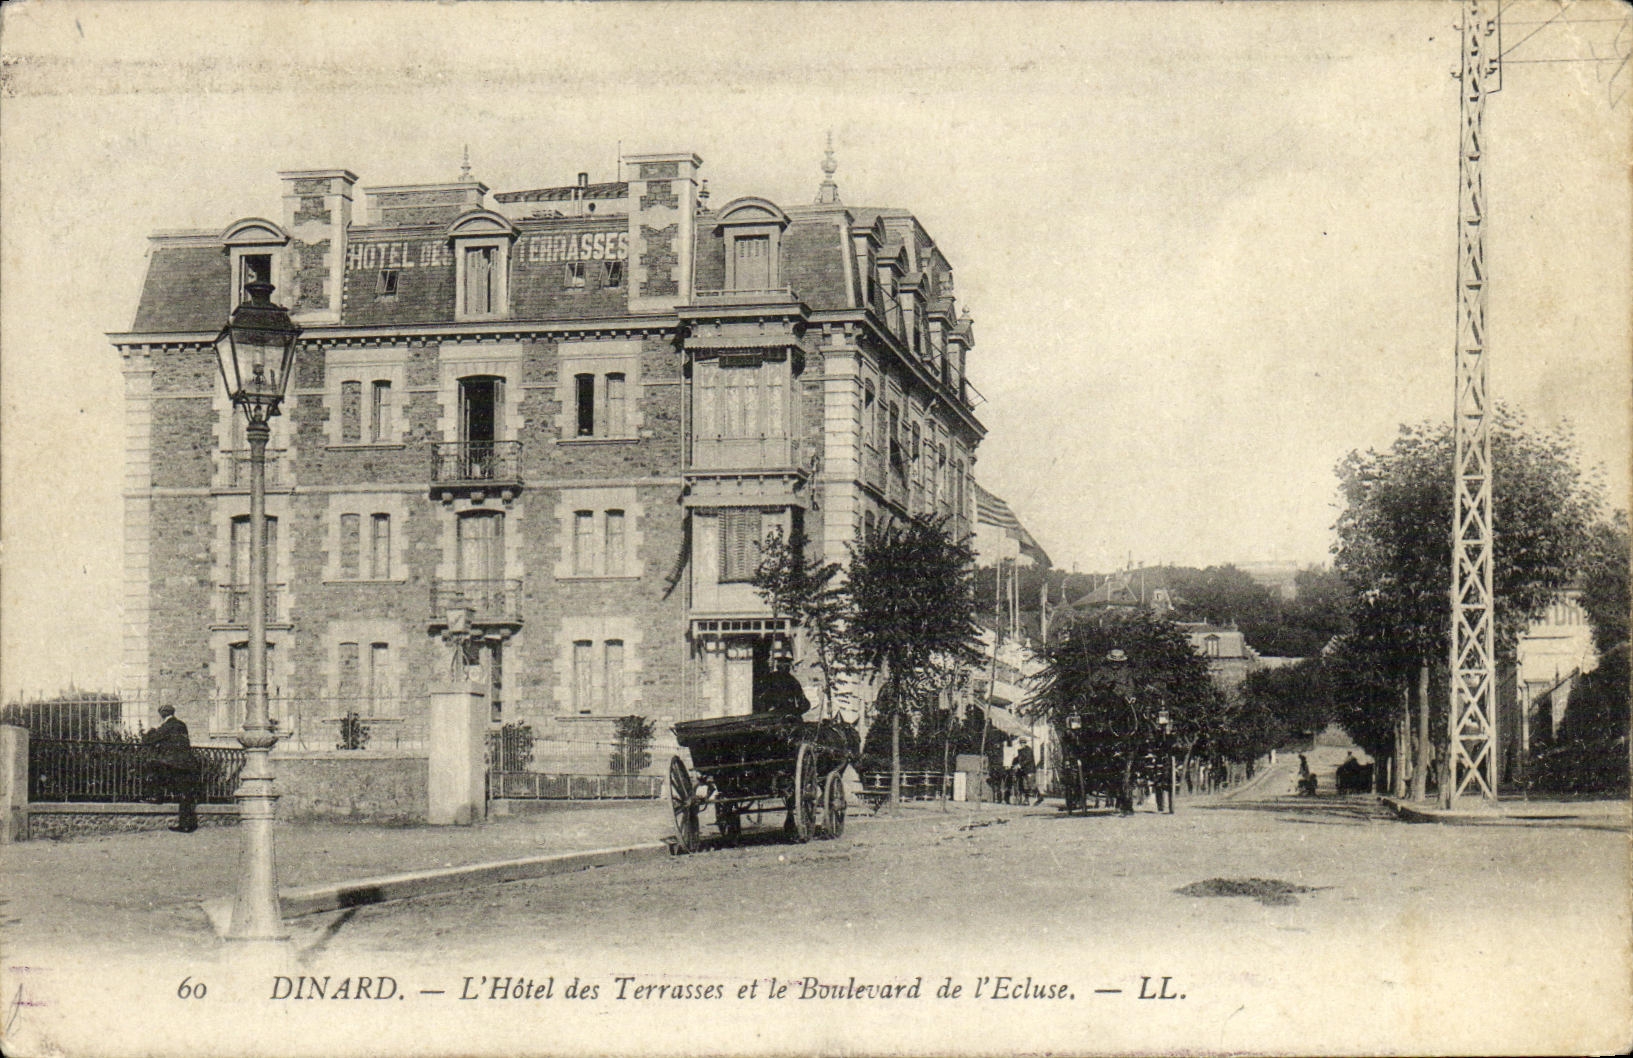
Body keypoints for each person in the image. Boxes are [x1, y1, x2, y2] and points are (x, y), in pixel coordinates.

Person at [143, 704, 202, 832]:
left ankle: (157, 797)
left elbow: (148, 740)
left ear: (161, 715)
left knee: (153, 767)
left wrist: (152, 729)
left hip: (174, 764)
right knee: (185, 794)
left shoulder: (166, 726)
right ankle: (186, 825)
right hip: (188, 764)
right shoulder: (182, 725)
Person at [1013, 740, 1040, 806]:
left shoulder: (1028, 750)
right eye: (1021, 743)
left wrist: (1020, 765)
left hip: (1029, 770)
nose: (1022, 744)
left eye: (1023, 743)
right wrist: (1014, 761)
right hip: (1024, 771)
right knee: (1025, 785)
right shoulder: (1021, 751)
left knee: (1031, 785)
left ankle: (1039, 797)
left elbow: (1028, 759)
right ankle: (1026, 800)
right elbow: (1019, 758)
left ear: (1025, 743)